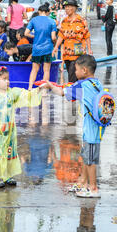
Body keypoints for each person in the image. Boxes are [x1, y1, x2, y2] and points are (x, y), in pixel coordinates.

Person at [0, 66, 45, 188]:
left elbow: (26, 95)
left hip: (10, 131)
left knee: (9, 152)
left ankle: (7, 175)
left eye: (8, 79)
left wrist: (38, 89)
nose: (8, 81)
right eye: (4, 79)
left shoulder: (12, 93)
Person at [44, 55, 104, 198]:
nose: (74, 73)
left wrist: (50, 85)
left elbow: (62, 92)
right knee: (85, 156)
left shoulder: (82, 85)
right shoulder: (97, 83)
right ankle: (83, 182)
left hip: (91, 130)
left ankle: (93, 188)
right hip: (94, 128)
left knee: (90, 160)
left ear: (84, 70)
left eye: (76, 70)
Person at [52, 0, 92, 83]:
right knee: (73, 75)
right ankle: (77, 93)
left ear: (74, 8)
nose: (66, 9)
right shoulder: (64, 21)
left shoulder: (81, 21)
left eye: (68, 7)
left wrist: (90, 49)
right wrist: (56, 47)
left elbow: (87, 36)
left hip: (78, 51)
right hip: (67, 52)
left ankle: (74, 94)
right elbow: (61, 35)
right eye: (65, 7)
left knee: (73, 76)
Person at [25, 3, 57, 90]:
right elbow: (53, 37)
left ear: (39, 11)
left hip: (36, 49)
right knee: (46, 70)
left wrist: (34, 36)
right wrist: (55, 43)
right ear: (47, 12)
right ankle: (43, 89)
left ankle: (30, 87)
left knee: (34, 69)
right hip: (48, 49)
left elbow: (26, 33)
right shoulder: (52, 21)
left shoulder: (34, 20)